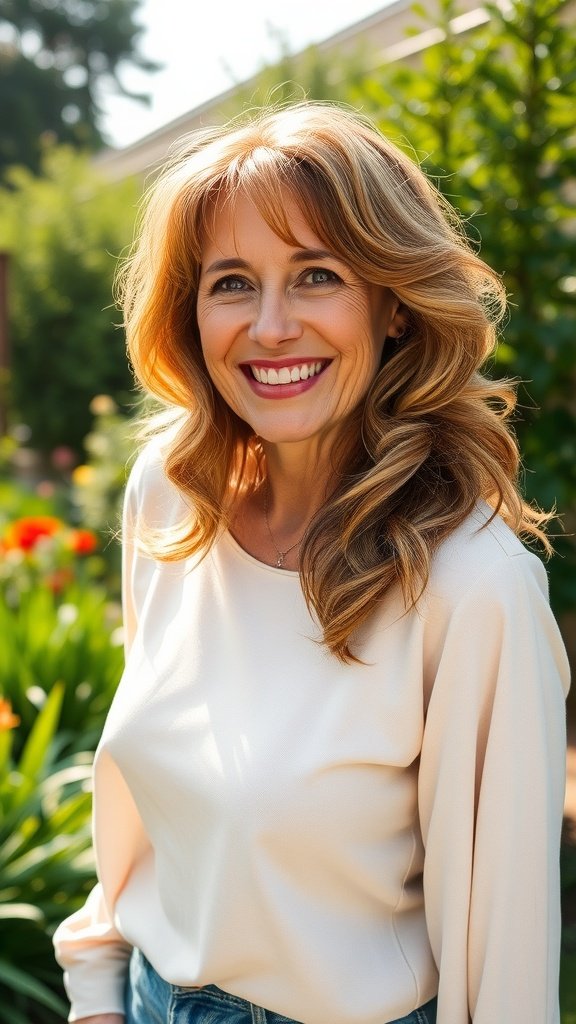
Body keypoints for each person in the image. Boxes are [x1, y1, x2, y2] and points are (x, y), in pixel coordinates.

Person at [53, 101, 570, 1024]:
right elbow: (146, 797)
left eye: (318, 275)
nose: (273, 326)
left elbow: (504, 960)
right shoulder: (171, 498)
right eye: (232, 283)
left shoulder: (470, 587)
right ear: (191, 311)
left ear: (395, 307)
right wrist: (98, 992)